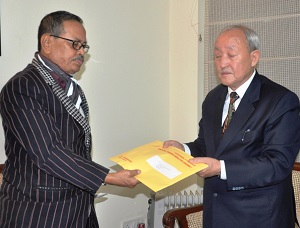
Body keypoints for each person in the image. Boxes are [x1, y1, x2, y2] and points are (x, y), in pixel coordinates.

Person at [0, 11, 140, 228]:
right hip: (39, 213)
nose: (81, 52)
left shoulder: (71, 87)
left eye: (84, 46)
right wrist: (110, 177)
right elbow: (48, 152)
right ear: (47, 42)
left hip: (78, 209)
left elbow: (76, 148)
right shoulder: (23, 86)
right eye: (75, 44)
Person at [164, 25, 300, 227]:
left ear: (254, 58)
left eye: (231, 55)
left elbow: (277, 164)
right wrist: (182, 149)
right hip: (216, 214)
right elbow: (206, 146)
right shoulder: (214, 98)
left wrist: (221, 168)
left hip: (260, 217)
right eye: (217, 56)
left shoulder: (280, 100)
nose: (222, 63)